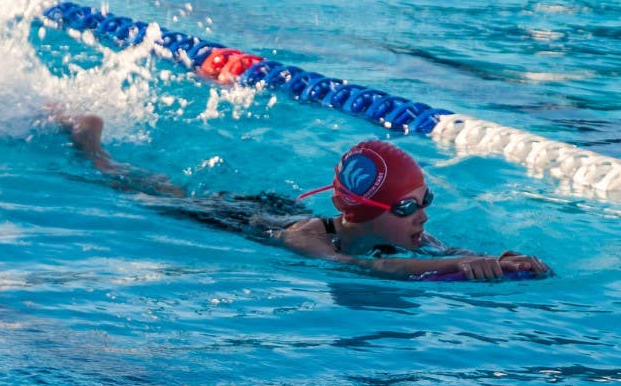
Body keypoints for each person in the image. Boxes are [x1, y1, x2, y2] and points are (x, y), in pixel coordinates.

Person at [64, 115, 550, 282]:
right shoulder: (306, 239)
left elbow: (454, 256)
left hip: (284, 203)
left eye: (426, 200)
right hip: (245, 219)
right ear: (369, 211)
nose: (421, 215)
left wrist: (495, 262)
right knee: (154, 194)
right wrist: (460, 268)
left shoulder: (415, 234)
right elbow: (361, 269)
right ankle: (94, 149)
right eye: (407, 206)